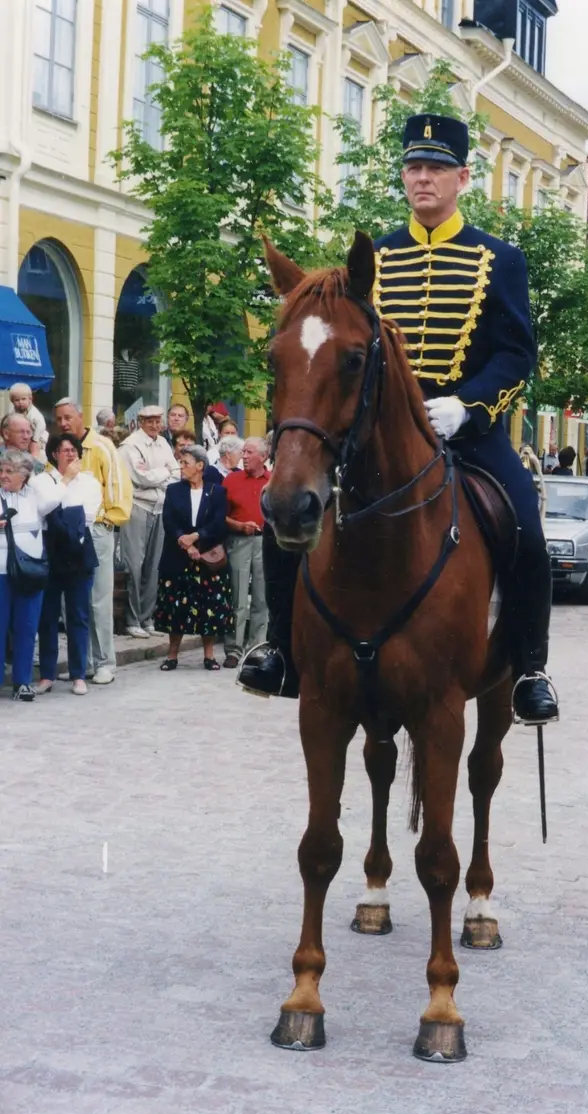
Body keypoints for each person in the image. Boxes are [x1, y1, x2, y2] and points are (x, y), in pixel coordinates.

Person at [241, 112, 558, 725]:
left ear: (463, 177)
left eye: (436, 168)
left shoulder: (500, 260)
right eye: (414, 167)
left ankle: (530, 667)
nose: (423, 178)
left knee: (526, 529)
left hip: (467, 431)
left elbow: (518, 355)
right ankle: (281, 649)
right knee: (287, 518)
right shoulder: (373, 259)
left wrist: (467, 407)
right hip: (379, 434)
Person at [54, 398, 133, 685]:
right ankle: (81, 663)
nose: (63, 423)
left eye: (67, 417)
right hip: (67, 532)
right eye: (59, 419)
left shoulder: (101, 446)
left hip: (97, 528)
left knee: (98, 599)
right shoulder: (60, 449)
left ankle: (105, 663)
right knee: (72, 601)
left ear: (80, 416)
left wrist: (109, 519)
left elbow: (119, 485)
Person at [154, 445, 232, 671]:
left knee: (209, 605)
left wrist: (197, 537)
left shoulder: (217, 491)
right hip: (178, 556)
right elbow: (169, 521)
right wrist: (185, 543)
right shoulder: (173, 490)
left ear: (200, 466)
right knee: (176, 606)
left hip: (207, 556)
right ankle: (172, 655)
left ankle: (209, 656)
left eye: (185, 462)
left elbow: (218, 523)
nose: (181, 466)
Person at [36, 434, 102, 696]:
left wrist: (61, 513)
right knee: (48, 617)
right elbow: (44, 507)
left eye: (74, 450)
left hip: (79, 550)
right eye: (65, 450)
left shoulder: (89, 482)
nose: (71, 455)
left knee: (78, 615)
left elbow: (87, 516)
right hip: (50, 553)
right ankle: (47, 674)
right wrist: (63, 483)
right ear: (54, 454)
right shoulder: (42, 481)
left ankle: (78, 674)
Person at [0, 448, 66, 700]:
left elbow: (58, 494)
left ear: (24, 475)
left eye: (10, 471)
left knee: (27, 629)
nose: (3, 475)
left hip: (31, 573)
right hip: (1, 573)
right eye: (2, 470)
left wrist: (47, 468)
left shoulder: (36, 495)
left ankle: (22, 683)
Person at [118, 405, 180, 638]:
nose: (155, 425)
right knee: (134, 564)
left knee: (153, 566)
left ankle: (147, 618)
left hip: (159, 507)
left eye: (157, 421)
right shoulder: (130, 445)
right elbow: (140, 478)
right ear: (141, 421)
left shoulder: (163, 443)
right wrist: (163, 472)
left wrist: (160, 473)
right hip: (138, 506)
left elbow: (177, 472)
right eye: (150, 421)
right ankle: (132, 619)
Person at [222, 436, 270, 669]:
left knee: (262, 597)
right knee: (238, 596)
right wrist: (240, 526)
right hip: (238, 540)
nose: (244, 456)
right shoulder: (231, 480)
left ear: (264, 457)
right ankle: (233, 648)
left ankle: (257, 648)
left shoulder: (273, 480)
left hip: (265, 542)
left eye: (250, 452)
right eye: (243, 452)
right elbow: (220, 516)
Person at [9, 382, 48, 453]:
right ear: (12, 401)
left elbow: (41, 425)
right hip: (24, 439)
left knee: (36, 452)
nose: (20, 402)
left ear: (30, 399)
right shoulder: (13, 412)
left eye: (23, 399)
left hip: (38, 437)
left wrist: (34, 440)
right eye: (17, 400)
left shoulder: (34, 413)